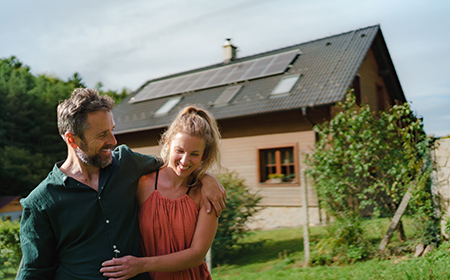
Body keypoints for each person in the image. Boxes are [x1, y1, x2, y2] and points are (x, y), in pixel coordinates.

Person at [18, 89, 226, 280]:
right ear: (72, 140)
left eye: (112, 130)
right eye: (102, 135)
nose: (113, 140)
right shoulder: (40, 203)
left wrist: (206, 178)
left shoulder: (127, 163)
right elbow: (34, 271)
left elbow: (175, 165)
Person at [100, 106, 222, 279]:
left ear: (204, 155)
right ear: (168, 143)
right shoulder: (143, 184)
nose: (185, 160)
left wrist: (141, 265)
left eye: (194, 154)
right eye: (180, 151)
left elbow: (196, 255)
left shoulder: (207, 194)